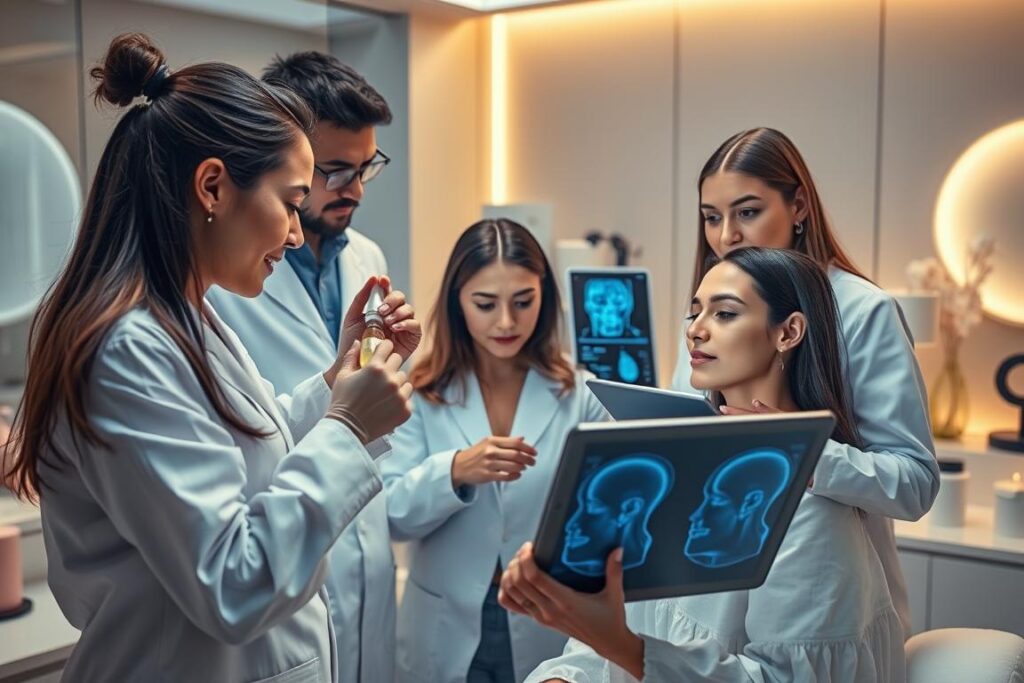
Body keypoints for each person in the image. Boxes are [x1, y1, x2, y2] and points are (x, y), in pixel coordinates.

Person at [0, 33, 418, 682]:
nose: (295, 229)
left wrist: (336, 384)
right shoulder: (126, 350)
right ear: (214, 187)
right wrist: (349, 428)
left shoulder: (182, 318)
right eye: (288, 200)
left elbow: (247, 439)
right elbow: (232, 581)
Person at [501, 247, 905, 682]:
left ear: (788, 332)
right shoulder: (678, 473)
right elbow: (613, 637)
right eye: (694, 314)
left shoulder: (812, 512)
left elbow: (784, 677)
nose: (695, 331)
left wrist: (618, 644)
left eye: (725, 314)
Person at [672, 127, 937, 637]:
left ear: (798, 207)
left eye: (747, 212)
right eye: (711, 217)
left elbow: (914, 485)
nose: (726, 236)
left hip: (827, 599)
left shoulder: (863, 311)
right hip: (717, 589)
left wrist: (801, 451)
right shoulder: (705, 308)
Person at [205, 50, 406, 683]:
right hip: (274, 562)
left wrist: (367, 374)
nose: (355, 188)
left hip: (356, 547)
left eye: (367, 165)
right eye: (334, 171)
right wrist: (346, 417)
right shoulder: (217, 285)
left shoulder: (366, 254)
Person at [381, 219, 609, 683]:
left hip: (546, 613)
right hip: (444, 620)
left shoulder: (579, 393)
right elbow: (392, 515)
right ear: (457, 302)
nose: (506, 322)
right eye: (486, 304)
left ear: (544, 297)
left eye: (523, 302)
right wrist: (456, 470)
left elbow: (604, 517)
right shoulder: (422, 393)